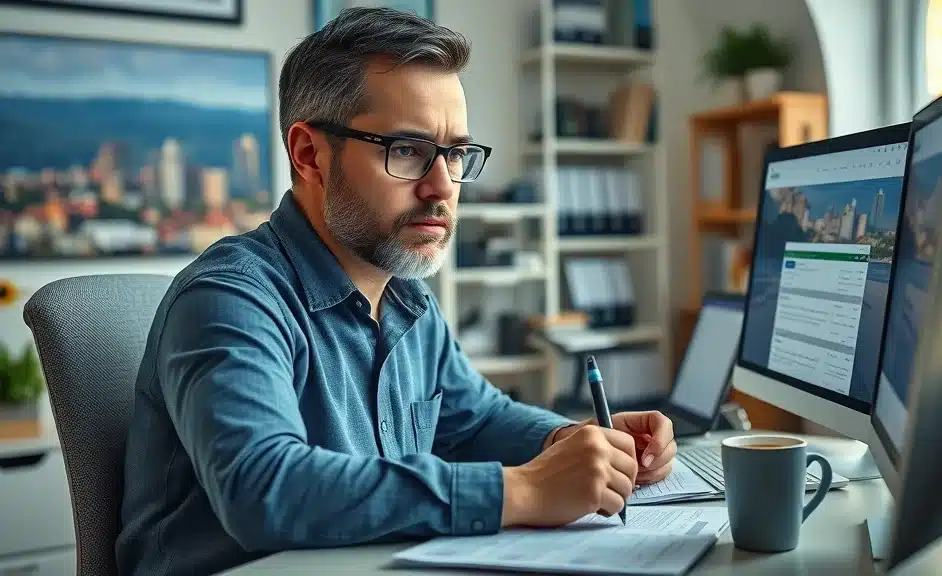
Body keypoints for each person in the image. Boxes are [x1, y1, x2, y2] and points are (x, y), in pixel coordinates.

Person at [115, 7, 676, 575]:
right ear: (310, 154)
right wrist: (523, 491)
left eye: (455, 153)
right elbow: (264, 487)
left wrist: (577, 442)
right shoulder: (230, 297)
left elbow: (477, 421)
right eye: (406, 150)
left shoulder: (407, 299)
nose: (442, 187)